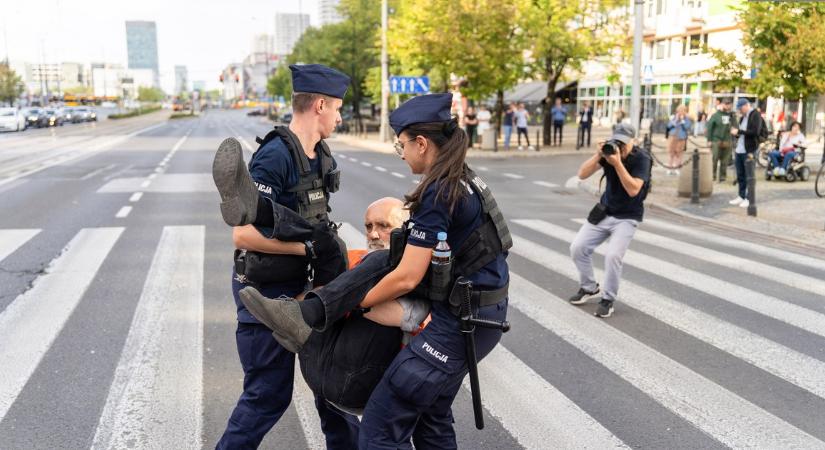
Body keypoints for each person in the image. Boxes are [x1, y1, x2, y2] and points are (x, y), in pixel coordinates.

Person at [239, 93, 511, 449]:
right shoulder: (462, 179)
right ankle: (263, 215)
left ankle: (308, 313)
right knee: (431, 420)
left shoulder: (438, 191)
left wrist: (351, 303)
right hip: (476, 315)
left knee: (380, 429)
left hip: (458, 325)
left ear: (422, 143)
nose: (402, 155)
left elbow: (407, 277)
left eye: (402, 147)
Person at [211, 63, 360, 449]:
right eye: (339, 108)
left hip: (308, 290)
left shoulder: (320, 154)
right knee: (267, 396)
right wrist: (308, 247)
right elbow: (242, 235)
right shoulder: (274, 156)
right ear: (320, 106)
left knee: (334, 392)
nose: (342, 116)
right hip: (266, 292)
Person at [568, 124, 651, 318]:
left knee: (613, 256)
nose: (619, 146)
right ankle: (589, 287)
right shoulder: (608, 153)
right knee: (578, 248)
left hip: (628, 215)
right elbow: (582, 174)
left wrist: (618, 164)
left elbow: (633, 190)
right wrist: (598, 155)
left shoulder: (642, 158)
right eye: (617, 140)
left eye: (623, 142)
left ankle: (608, 299)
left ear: (633, 141)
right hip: (605, 211)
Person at [729, 98, 764, 208]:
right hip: (740, 148)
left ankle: (750, 198)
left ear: (746, 106)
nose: (740, 111)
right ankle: (741, 195)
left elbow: (755, 132)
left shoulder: (755, 115)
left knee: (749, 174)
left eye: (740, 108)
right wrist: (737, 134)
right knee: (740, 174)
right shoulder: (743, 117)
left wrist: (739, 132)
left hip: (750, 149)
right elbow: (743, 132)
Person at [705, 98, 735, 182]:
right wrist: (709, 140)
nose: (728, 106)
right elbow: (710, 128)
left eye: (729, 104)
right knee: (714, 159)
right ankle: (712, 175)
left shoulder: (731, 115)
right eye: (726, 104)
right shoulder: (716, 115)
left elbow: (735, 126)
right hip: (716, 140)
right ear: (722, 104)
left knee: (725, 160)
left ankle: (722, 177)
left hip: (727, 140)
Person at [665, 104, 692, 176]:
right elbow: (668, 126)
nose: (680, 112)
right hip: (672, 137)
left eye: (682, 111)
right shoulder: (674, 118)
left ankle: (677, 168)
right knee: (671, 153)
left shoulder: (687, 119)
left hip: (681, 138)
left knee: (679, 154)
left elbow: (687, 127)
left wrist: (683, 121)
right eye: (679, 111)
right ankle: (669, 168)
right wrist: (675, 120)